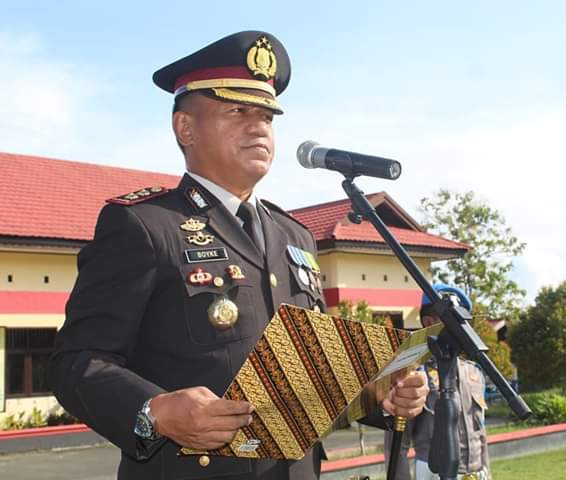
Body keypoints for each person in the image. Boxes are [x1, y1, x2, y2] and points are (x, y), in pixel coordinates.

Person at [47, 31, 428, 480]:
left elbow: (312, 380)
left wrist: (379, 395)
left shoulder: (295, 236)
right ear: (186, 129)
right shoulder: (145, 226)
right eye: (237, 111)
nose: (259, 126)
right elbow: (77, 362)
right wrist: (155, 410)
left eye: (267, 116)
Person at [384, 284, 492, 480]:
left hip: (476, 472)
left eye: (464, 320)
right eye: (453, 320)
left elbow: (481, 433)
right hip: (433, 473)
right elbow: (397, 445)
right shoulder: (413, 376)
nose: (463, 327)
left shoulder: (473, 372)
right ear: (428, 322)